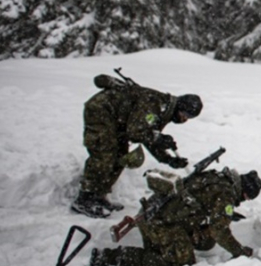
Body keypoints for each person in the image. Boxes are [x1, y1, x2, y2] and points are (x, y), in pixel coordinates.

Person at [72, 72, 203, 218]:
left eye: (190, 118)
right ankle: (85, 198)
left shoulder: (165, 110)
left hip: (119, 121)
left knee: (121, 156)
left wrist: (168, 159)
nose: (185, 120)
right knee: (105, 153)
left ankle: (98, 196)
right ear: (180, 107)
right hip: (102, 111)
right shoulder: (154, 104)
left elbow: (148, 137)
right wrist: (158, 138)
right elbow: (135, 132)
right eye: (186, 115)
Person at [89, 168, 261, 266]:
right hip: (160, 223)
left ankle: (167, 246)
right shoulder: (226, 195)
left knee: (205, 240)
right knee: (179, 264)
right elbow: (220, 231)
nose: (243, 201)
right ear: (244, 192)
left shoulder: (217, 178)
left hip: (155, 213)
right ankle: (112, 257)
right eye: (247, 197)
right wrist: (239, 252)